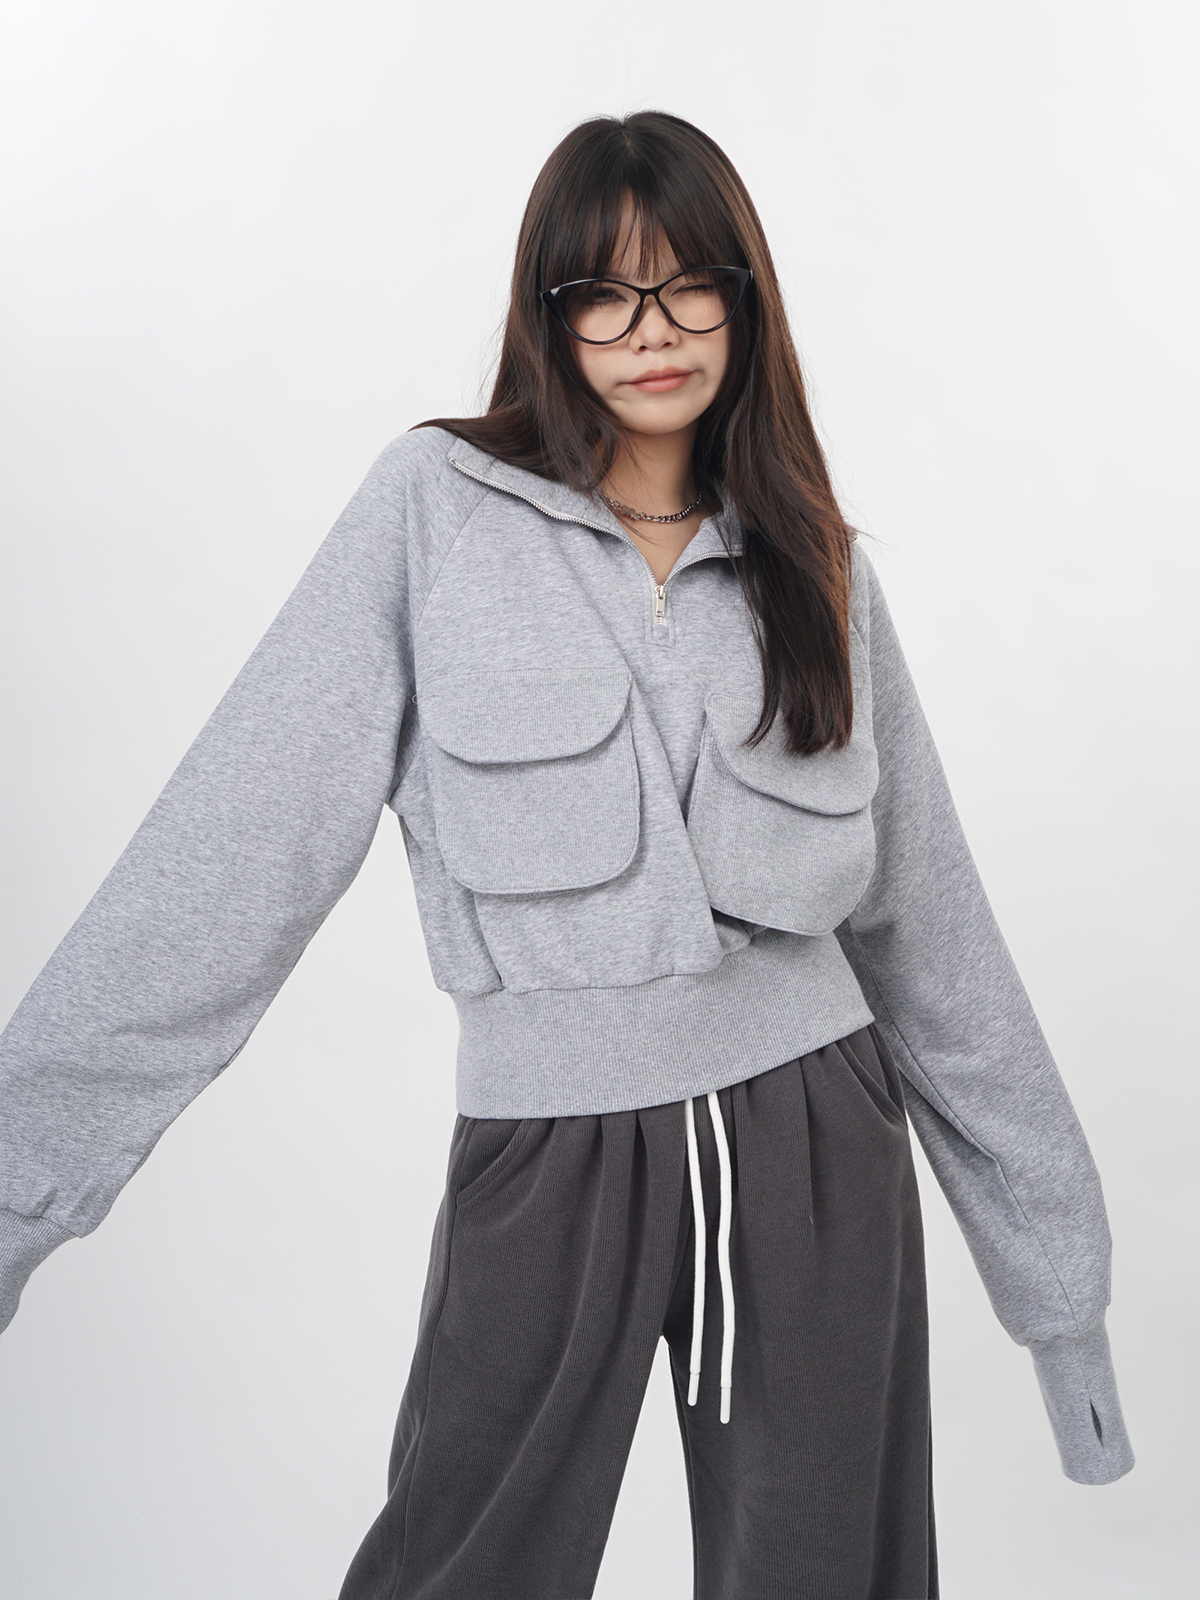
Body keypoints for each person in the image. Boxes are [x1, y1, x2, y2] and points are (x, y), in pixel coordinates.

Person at [0, 111, 1133, 1599]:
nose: (651, 329)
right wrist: (20, 1181)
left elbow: (934, 935)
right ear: (551, 315)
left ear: (745, 298)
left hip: (816, 1146)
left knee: (830, 1573)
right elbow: (230, 850)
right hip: (548, 1152)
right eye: (604, 291)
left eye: (689, 284)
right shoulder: (432, 515)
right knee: (459, 1563)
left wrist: (1059, 1301)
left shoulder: (817, 564)